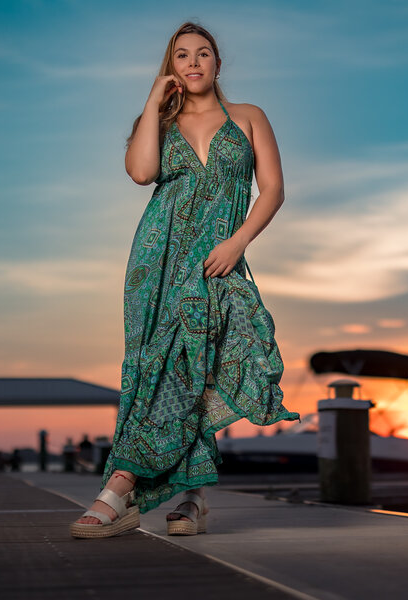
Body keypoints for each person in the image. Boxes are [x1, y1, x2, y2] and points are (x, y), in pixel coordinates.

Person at [70, 21, 300, 539]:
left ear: (218, 63)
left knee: (217, 361)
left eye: (203, 54)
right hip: (158, 262)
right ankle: (181, 495)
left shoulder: (248, 117)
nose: (193, 63)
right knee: (164, 368)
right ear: (170, 67)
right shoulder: (158, 120)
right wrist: (154, 101)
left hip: (219, 259)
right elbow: (141, 173)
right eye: (181, 56)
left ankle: (123, 488)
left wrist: (237, 242)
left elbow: (273, 190)